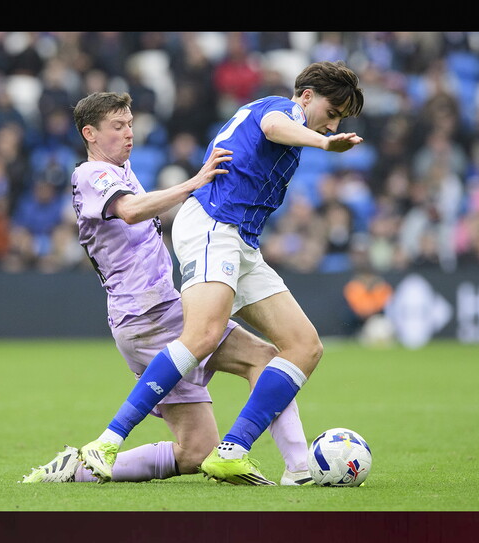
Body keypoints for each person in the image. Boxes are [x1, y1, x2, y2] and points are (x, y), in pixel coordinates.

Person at [78, 61, 364, 485]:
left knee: (303, 346)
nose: (332, 123)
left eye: (339, 119)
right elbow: (272, 127)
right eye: (332, 111)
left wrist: (319, 139)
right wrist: (324, 144)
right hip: (213, 223)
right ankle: (108, 440)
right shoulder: (279, 110)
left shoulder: (295, 124)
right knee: (203, 335)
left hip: (241, 239)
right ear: (305, 97)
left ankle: (272, 461)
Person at [20, 91, 313, 486]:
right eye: (117, 127)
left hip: (162, 307)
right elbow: (130, 210)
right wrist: (194, 183)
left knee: (196, 449)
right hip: (142, 317)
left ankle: (76, 471)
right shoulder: (90, 174)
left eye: (130, 125)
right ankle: (299, 469)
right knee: (261, 357)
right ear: (89, 133)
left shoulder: (122, 171)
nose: (129, 134)